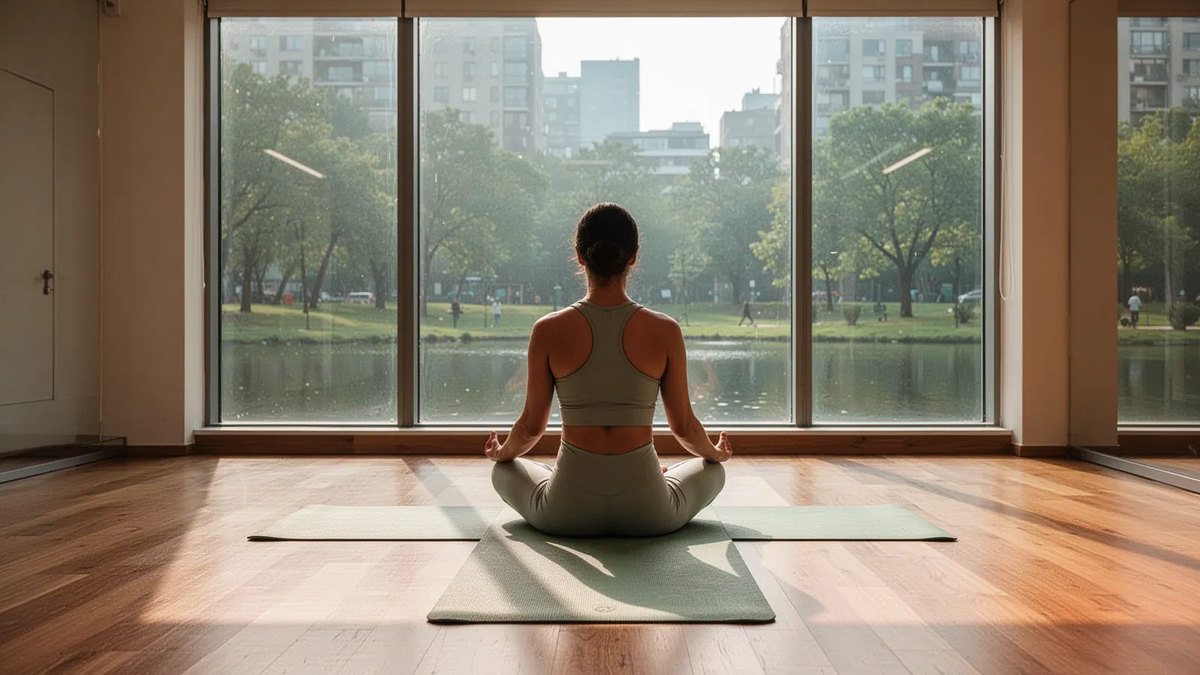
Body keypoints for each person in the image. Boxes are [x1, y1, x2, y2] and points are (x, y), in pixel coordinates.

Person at [486, 203, 731, 537]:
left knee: (502, 470)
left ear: (579, 256)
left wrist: (501, 452)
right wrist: (715, 452)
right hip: (649, 512)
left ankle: (556, 475)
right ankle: (654, 477)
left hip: (566, 512)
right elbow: (684, 428)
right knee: (714, 470)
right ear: (634, 257)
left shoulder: (547, 330)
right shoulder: (665, 330)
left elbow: (530, 428)